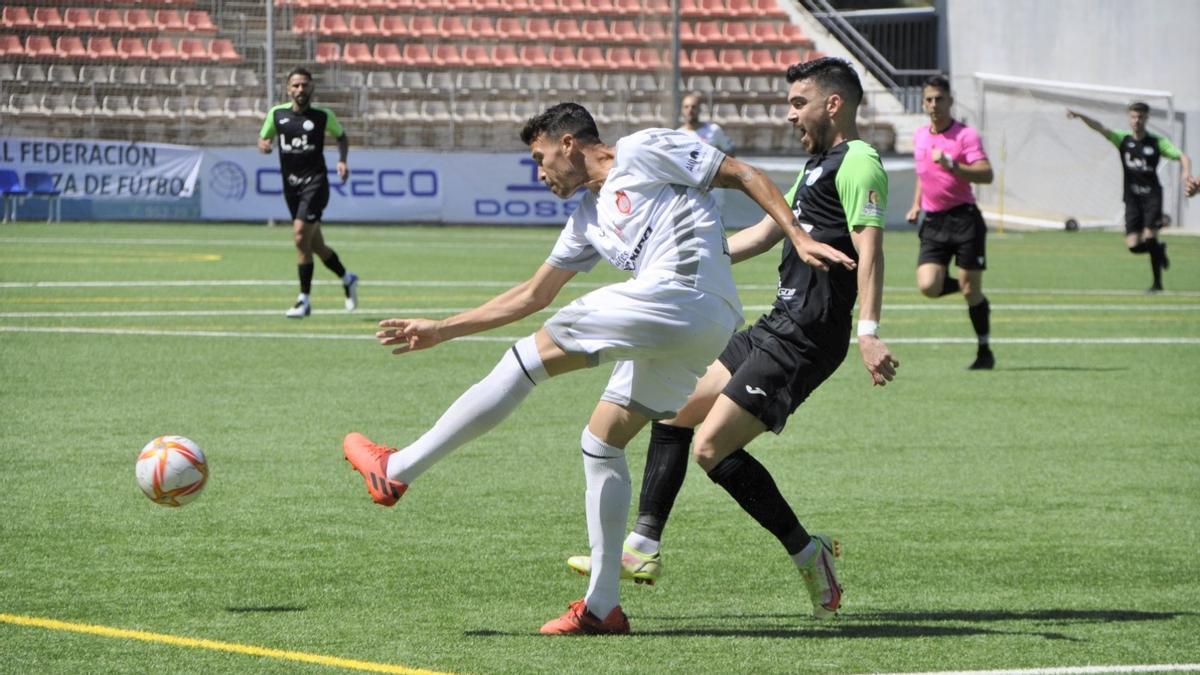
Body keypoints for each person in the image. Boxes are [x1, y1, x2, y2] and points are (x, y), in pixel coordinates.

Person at [341, 103, 855, 635]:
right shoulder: (585, 219)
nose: (539, 173)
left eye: (540, 158)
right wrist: (443, 328)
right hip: (699, 323)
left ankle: (398, 470)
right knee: (602, 441)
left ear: (568, 143)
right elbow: (532, 294)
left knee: (523, 361)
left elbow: (743, 173)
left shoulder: (643, 149)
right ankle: (602, 606)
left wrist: (796, 234)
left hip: (681, 296)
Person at [565, 57, 898, 620]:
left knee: (712, 448)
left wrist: (869, 331)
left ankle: (809, 554)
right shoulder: (816, 167)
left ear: (833, 104)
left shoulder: (859, 162)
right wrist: (677, 260)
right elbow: (768, 234)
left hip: (808, 337)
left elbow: (871, 248)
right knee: (672, 406)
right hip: (775, 324)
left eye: (799, 103)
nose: (791, 114)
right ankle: (643, 547)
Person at [905, 75, 995, 370]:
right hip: (934, 222)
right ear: (923, 103)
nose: (934, 105)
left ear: (950, 101)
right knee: (928, 286)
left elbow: (986, 174)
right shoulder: (919, 135)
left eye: (939, 99)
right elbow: (924, 175)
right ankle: (973, 289)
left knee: (971, 292)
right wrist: (917, 203)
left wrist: (954, 166)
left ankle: (984, 351)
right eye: (929, 99)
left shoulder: (965, 136)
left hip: (965, 219)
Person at [258, 66, 359, 318]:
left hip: (316, 183)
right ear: (288, 89)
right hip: (290, 186)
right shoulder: (277, 114)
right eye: (296, 85)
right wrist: (264, 145)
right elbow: (263, 138)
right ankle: (347, 278)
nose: (300, 89)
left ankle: (304, 300)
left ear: (312, 87)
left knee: (300, 235)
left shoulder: (323, 116)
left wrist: (343, 160)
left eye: (304, 85)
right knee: (316, 245)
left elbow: (342, 137)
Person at [1068, 103, 1193, 292]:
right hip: (1132, 199)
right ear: (1129, 118)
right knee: (1133, 246)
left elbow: (1183, 157)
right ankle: (1160, 251)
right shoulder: (1123, 140)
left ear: (1147, 118)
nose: (1137, 121)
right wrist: (1080, 115)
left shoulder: (1156, 142)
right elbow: (1100, 128)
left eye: (1141, 117)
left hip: (1152, 197)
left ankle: (1157, 284)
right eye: (1134, 117)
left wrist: (1186, 173)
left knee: (1150, 237)